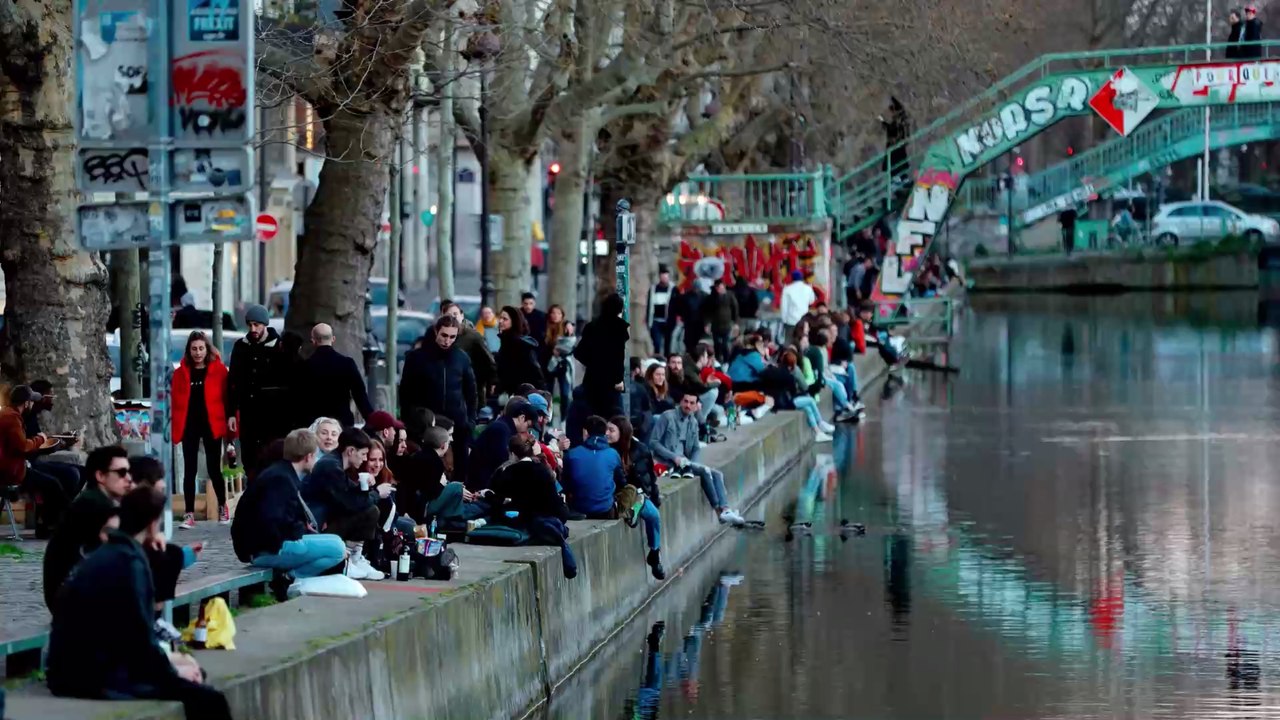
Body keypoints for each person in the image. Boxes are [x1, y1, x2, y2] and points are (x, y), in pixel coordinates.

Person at [46, 486, 235, 720]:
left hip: (72, 667)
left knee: (194, 676)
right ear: (153, 524)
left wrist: (174, 662)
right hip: (91, 675)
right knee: (210, 699)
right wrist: (172, 671)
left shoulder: (109, 553)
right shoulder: (130, 562)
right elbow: (138, 639)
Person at [232, 429, 347, 581]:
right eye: (316, 455)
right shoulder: (281, 479)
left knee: (336, 542)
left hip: (268, 546)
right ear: (308, 456)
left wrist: (303, 529)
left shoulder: (283, 473)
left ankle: (291, 577)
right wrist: (300, 531)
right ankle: (291, 578)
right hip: (266, 550)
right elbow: (273, 522)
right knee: (337, 548)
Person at [42, 445, 132, 609]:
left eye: (129, 472)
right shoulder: (95, 505)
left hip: (72, 592)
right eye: (121, 473)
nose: (129, 479)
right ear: (100, 476)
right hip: (72, 598)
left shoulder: (94, 501)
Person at [400, 314, 478, 484]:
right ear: (436, 331)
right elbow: (405, 393)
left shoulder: (461, 358)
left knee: (459, 473)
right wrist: (409, 421)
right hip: (427, 423)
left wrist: (470, 421)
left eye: (452, 337)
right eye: (444, 335)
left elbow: (471, 393)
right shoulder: (417, 358)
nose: (447, 341)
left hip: (457, 425)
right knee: (428, 473)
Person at [302, 427, 387, 580]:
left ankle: (355, 558)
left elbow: (349, 493)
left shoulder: (335, 463)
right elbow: (351, 504)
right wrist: (376, 493)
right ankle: (347, 560)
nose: (365, 459)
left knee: (370, 508)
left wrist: (365, 487)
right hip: (314, 529)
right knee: (370, 511)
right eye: (363, 454)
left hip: (321, 523)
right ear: (350, 451)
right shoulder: (331, 467)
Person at [649, 394, 744, 525]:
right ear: (680, 402)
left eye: (692, 403)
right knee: (705, 471)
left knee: (717, 474)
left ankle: (725, 509)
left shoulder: (693, 422)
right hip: (666, 462)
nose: (688, 405)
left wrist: (692, 464)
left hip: (684, 463)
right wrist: (673, 457)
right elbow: (653, 443)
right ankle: (718, 511)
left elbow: (695, 448)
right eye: (685, 402)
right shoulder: (667, 417)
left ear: (696, 406)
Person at [492, 433, 577, 578]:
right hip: (552, 513)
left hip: (527, 517)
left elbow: (497, 496)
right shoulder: (543, 469)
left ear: (512, 453)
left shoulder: (509, 471)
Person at [172, 331, 230, 529]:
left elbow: (227, 398)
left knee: (214, 468)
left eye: (201, 348)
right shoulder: (181, 374)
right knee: (190, 470)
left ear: (207, 349)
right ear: (189, 350)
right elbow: (175, 400)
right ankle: (189, 514)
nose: (198, 353)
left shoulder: (219, 371)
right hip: (189, 424)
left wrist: (231, 425)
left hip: (212, 423)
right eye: (194, 349)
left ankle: (223, 506)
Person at [227, 303, 288, 473]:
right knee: (249, 457)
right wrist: (231, 412)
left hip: (272, 414)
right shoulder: (241, 346)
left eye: (257, 325)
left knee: (271, 455)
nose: (253, 328)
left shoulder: (278, 347)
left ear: (265, 325)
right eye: (250, 325)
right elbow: (234, 381)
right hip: (249, 411)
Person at [0, 385, 66, 535]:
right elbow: (23, 446)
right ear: (26, 403)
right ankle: (55, 526)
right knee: (53, 484)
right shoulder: (12, 418)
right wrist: (40, 438)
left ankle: (51, 524)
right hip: (11, 474)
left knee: (55, 480)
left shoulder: (7, 414)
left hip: (11, 468)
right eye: (31, 402)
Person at [607, 417, 665, 580]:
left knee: (653, 515)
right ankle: (632, 512)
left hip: (639, 493)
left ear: (622, 432)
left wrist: (654, 496)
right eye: (606, 430)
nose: (607, 434)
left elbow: (650, 478)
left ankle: (655, 553)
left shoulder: (640, 450)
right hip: (618, 494)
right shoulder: (607, 451)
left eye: (611, 430)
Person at [300, 323, 375, 428]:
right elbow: (360, 395)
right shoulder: (347, 363)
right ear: (333, 339)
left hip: (314, 425)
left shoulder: (305, 366)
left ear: (313, 341)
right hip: (342, 423)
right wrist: (372, 421)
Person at [575, 292, 630, 418]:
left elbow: (579, 352)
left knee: (593, 416)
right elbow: (618, 357)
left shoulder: (591, 326)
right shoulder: (619, 327)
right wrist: (618, 379)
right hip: (611, 382)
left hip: (592, 379)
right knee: (613, 418)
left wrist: (594, 363)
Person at [562, 415, 625, 518]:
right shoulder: (613, 454)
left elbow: (566, 484)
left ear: (586, 432)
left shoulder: (572, 454)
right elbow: (621, 482)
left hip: (579, 508)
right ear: (604, 433)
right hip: (605, 509)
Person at [470, 398, 539, 490]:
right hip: (482, 485)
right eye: (528, 426)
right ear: (522, 418)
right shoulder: (502, 430)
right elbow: (504, 461)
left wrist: (528, 443)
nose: (527, 430)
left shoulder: (505, 427)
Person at [439, 301, 497, 411]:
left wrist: (492, 382)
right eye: (449, 315)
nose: (453, 318)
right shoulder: (438, 336)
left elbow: (488, 361)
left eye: (455, 314)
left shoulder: (473, 336)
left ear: (462, 315)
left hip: (470, 390)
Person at [496, 305, 545, 396]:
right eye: (500, 318)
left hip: (521, 394)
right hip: (507, 392)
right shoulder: (505, 341)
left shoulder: (521, 345)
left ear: (514, 321)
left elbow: (535, 371)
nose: (500, 321)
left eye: (505, 319)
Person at [706, 278, 739, 363]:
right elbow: (708, 311)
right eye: (717, 288)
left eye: (720, 287)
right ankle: (717, 360)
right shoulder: (712, 297)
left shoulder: (729, 295)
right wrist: (707, 323)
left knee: (725, 344)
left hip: (726, 324)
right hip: (716, 324)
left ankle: (726, 361)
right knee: (716, 344)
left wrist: (736, 322)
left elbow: (735, 308)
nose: (719, 289)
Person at [648, 266, 676, 356]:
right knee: (657, 342)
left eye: (666, 276)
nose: (664, 278)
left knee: (668, 343)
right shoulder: (653, 289)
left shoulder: (673, 289)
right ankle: (657, 359)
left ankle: (667, 360)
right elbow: (649, 304)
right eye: (662, 276)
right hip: (656, 320)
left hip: (668, 321)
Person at [780, 270, 815, 340]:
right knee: (803, 341)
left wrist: (784, 320)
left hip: (791, 321)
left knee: (789, 341)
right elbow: (811, 301)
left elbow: (784, 307)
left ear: (792, 278)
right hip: (804, 321)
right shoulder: (808, 288)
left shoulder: (787, 289)